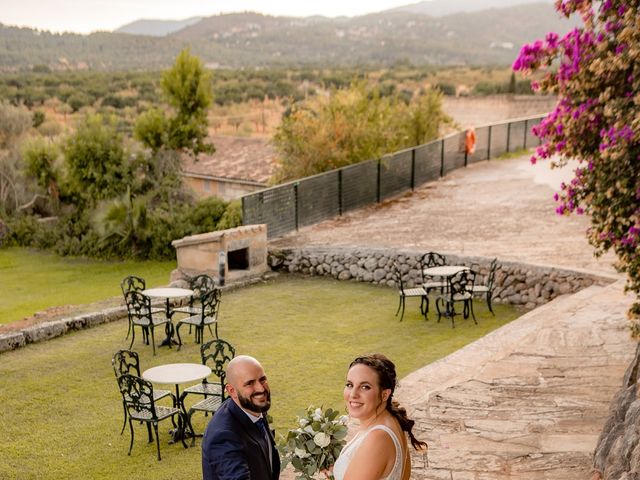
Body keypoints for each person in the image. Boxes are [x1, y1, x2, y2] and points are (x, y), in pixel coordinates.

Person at [333, 354, 427, 480]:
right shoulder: (391, 420)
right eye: (350, 384)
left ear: (384, 395)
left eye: (365, 387)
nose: (353, 394)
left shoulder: (378, 438)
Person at [202, 355, 280, 480]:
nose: (261, 388)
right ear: (232, 391)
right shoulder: (223, 437)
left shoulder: (251, 406)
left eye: (263, 379)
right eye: (250, 383)